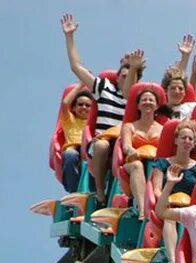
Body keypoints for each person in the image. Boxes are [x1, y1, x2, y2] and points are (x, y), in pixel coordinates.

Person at [60, 14, 142, 205]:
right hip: (102, 141)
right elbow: (77, 67)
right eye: (122, 75)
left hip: (127, 144)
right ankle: (99, 192)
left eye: (131, 76)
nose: (125, 79)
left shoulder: (138, 99)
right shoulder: (104, 87)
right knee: (103, 146)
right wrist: (70, 37)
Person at [149, 120, 196, 263]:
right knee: (170, 217)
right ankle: (173, 261)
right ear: (176, 140)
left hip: (190, 206)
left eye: (190, 138)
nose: (187, 141)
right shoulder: (162, 164)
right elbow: (156, 189)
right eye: (183, 138)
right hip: (167, 203)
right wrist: (166, 199)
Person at [120, 88, 166, 219]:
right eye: (144, 100)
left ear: (157, 106)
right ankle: (142, 210)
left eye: (151, 100)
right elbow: (126, 146)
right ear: (138, 105)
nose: (147, 102)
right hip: (134, 161)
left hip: (156, 163)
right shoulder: (129, 126)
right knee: (137, 166)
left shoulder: (163, 129)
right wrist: (132, 151)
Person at [58, 84, 93, 192]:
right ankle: (73, 191)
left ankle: (96, 191)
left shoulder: (93, 122)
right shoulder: (69, 120)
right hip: (74, 149)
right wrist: (81, 84)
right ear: (73, 108)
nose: (84, 107)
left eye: (87, 106)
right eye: (80, 104)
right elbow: (65, 103)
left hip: (89, 150)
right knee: (70, 154)